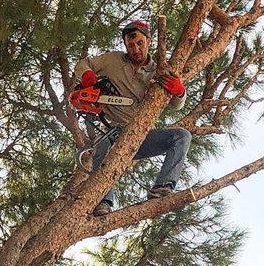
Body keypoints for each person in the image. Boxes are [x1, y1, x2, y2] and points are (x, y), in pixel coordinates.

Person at [72, 20, 192, 216]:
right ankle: (103, 201)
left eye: (140, 43)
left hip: (142, 135)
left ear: (148, 41)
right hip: (114, 130)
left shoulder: (159, 69)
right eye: (131, 45)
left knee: (182, 136)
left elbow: (177, 105)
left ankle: (163, 187)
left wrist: (179, 91)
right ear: (125, 45)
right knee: (100, 145)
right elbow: (83, 63)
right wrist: (87, 75)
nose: (136, 49)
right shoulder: (113, 60)